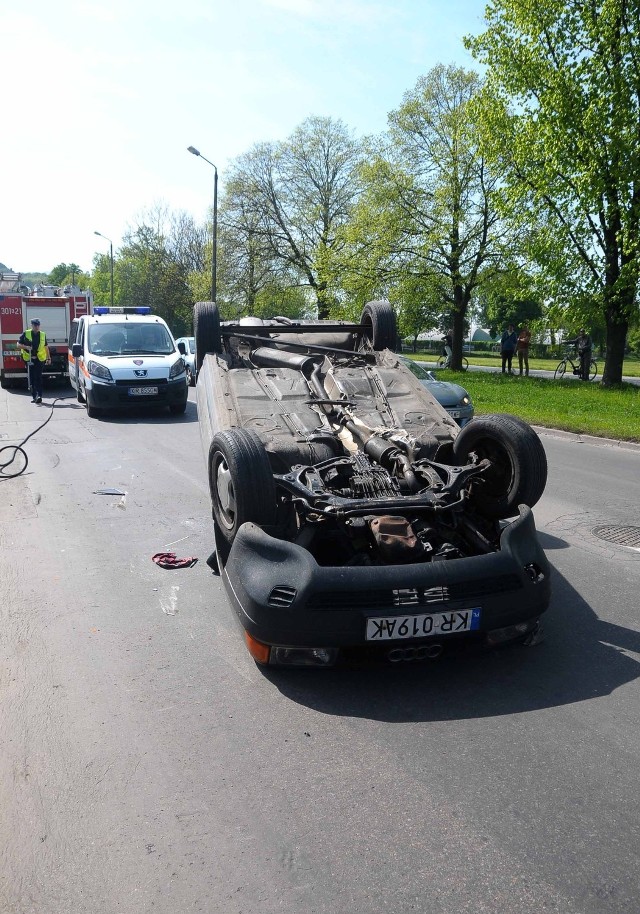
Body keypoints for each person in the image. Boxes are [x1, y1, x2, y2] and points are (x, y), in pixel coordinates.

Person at [18, 317, 51, 403]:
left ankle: (39, 395)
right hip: (29, 359)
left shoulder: (43, 334)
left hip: (39, 359)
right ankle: (34, 396)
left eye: (38, 325)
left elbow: (46, 347)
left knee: (38, 377)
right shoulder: (26, 333)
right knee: (32, 377)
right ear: (32, 325)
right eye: (35, 325)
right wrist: (26, 347)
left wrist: (48, 358)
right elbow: (18, 344)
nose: (37, 327)